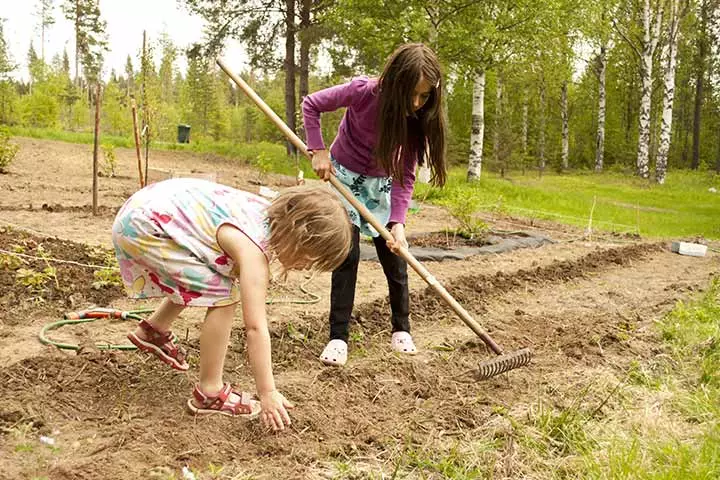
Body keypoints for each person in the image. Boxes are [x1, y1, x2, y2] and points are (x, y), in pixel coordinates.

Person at [111, 178, 352, 429]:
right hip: (145, 228)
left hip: (144, 209)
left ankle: (153, 330)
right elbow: (255, 327)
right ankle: (210, 393)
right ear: (300, 234)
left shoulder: (261, 213)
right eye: (309, 259)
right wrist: (267, 392)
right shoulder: (252, 251)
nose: (306, 268)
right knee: (224, 296)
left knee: (214, 272)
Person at [301, 43, 448, 366]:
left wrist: (398, 222)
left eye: (424, 96)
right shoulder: (363, 92)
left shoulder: (416, 118)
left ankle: (402, 330)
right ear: (394, 81)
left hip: (381, 185)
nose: (415, 103)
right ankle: (338, 338)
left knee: (394, 257)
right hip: (343, 178)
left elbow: (406, 175)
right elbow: (311, 105)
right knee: (347, 255)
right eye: (411, 93)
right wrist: (318, 150)